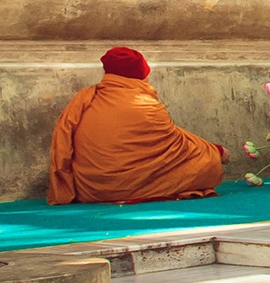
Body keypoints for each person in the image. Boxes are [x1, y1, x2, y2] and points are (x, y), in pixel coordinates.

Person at [48, 47, 225, 204]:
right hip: (126, 185)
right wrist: (213, 151)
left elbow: (170, 139)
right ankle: (217, 153)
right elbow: (177, 149)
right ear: (140, 73)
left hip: (92, 189)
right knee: (208, 163)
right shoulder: (144, 103)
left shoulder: (85, 98)